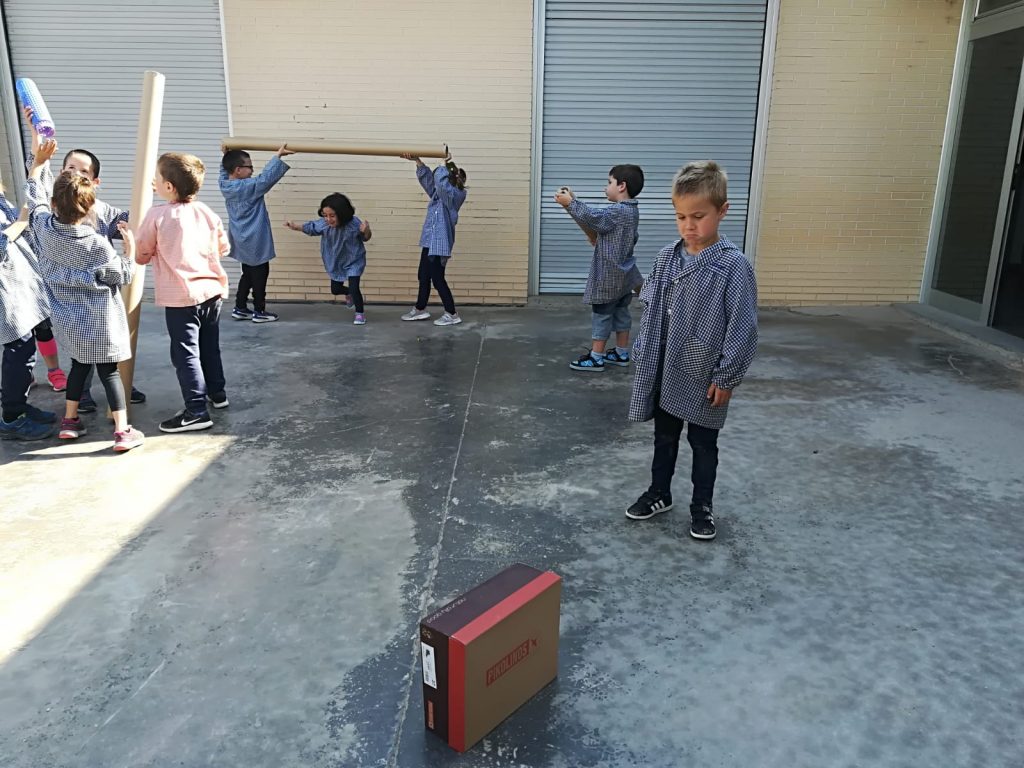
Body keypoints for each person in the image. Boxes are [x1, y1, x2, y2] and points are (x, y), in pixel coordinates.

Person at [626, 161, 757, 541]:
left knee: (703, 443)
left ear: (722, 210)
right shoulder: (667, 257)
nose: (689, 226)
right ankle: (659, 492)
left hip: (704, 374)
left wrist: (726, 377)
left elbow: (743, 326)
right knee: (664, 437)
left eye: (698, 217)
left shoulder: (733, 267)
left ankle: (702, 506)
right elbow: (651, 303)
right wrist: (643, 350)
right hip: (665, 368)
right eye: (681, 217)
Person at [25, 138, 144, 452]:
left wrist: (37, 164)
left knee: (78, 367)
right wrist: (130, 251)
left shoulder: (43, 228)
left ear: (54, 203)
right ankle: (122, 431)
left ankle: (69, 421)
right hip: (101, 321)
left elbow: (34, 196)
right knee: (110, 373)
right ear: (90, 205)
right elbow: (123, 274)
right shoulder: (96, 244)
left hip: (68, 321)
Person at [136, 153, 231, 433]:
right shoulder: (206, 212)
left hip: (180, 297)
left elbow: (142, 254)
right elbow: (224, 248)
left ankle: (196, 411)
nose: (153, 181)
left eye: (157, 177)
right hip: (211, 291)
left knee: (185, 353)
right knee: (209, 346)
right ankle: (217, 394)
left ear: (168, 187)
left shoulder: (157, 215)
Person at [58, 143, 147, 410]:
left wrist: (146, 197)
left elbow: (128, 222)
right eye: (71, 168)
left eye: (84, 172)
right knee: (80, 354)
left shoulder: (102, 211)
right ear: (60, 173)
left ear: (95, 182)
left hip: (102, 296)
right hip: (69, 296)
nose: (76, 174)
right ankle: (82, 395)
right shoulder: (54, 211)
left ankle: (121, 386)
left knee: (110, 348)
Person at [554, 164, 644, 372]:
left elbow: (594, 218)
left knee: (602, 313)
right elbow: (622, 235)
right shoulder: (632, 211)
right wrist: (574, 203)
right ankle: (621, 352)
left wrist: (571, 203)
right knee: (621, 312)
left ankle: (596, 357)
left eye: (609, 182)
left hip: (608, 275)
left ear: (621, 186)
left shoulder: (617, 211)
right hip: (625, 274)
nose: (606, 187)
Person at [0, 180, 57, 440]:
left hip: (19, 290)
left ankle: (18, 406)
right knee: (19, 351)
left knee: (24, 350)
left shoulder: (2, 201)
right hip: (7, 296)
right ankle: (12, 417)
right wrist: (21, 221)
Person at [219, 144, 294, 323]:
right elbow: (266, 179)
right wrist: (277, 156)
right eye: (249, 167)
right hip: (255, 237)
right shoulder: (248, 186)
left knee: (247, 273)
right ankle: (259, 310)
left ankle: (240, 307)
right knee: (260, 274)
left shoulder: (224, 184)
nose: (252, 170)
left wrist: (226, 156)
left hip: (240, 237)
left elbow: (224, 171)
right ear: (238, 170)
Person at [398, 154, 467, 326]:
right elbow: (429, 181)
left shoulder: (455, 196)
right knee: (423, 275)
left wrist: (443, 164)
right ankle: (420, 309)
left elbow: (441, 184)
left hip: (440, 243)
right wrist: (417, 161)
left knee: (437, 278)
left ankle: (452, 313)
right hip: (430, 241)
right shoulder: (439, 195)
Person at [285, 192, 371, 325]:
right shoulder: (324, 225)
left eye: (332, 215)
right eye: (325, 215)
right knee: (335, 290)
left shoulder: (354, 223)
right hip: (335, 261)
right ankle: (348, 293)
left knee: (355, 287)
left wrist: (366, 231)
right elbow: (311, 228)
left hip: (354, 260)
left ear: (342, 213)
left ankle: (360, 314)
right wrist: (295, 227)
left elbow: (365, 238)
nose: (328, 219)